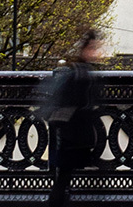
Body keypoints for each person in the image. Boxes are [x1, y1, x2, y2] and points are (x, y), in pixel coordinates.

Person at [37, 30, 104, 207]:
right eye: (93, 48)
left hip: (69, 132)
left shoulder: (78, 70)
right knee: (66, 177)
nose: (96, 53)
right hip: (73, 133)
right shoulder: (80, 72)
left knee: (64, 177)